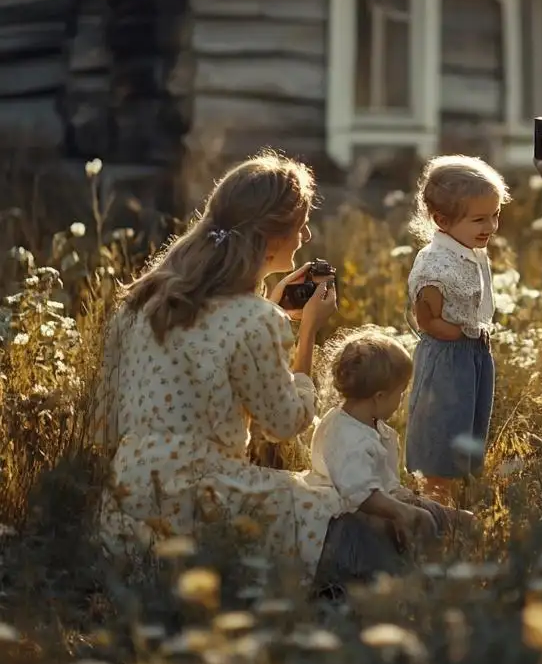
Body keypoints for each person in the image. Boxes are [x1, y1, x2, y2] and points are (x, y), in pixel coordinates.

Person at [97, 152, 362, 590]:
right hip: (204, 499)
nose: (307, 234)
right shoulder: (253, 319)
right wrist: (308, 331)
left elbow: (104, 421)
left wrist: (272, 311)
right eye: (300, 223)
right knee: (331, 502)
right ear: (272, 235)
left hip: (126, 503)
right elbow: (284, 423)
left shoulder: (141, 303)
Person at [306, 327, 459, 588]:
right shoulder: (346, 436)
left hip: (382, 505)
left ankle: (445, 573)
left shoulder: (367, 423)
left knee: (461, 520)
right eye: (401, 392)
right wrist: (401, 511)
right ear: (379, 397)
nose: (402, 399)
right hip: (354, 523)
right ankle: (432, 586)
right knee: (426, 525)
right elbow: (360, 493)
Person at [405, 155, 508, 506]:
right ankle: (435, 501)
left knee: (469, 423)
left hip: (473, 352)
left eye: (495, 215)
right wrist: (455, 334)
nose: (491, 226)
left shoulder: (470, 249)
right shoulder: (435, 264)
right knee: (443, 427)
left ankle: (452, 498)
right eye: (480, 219)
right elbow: (427, 317)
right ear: (442, 220)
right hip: (448, 356)